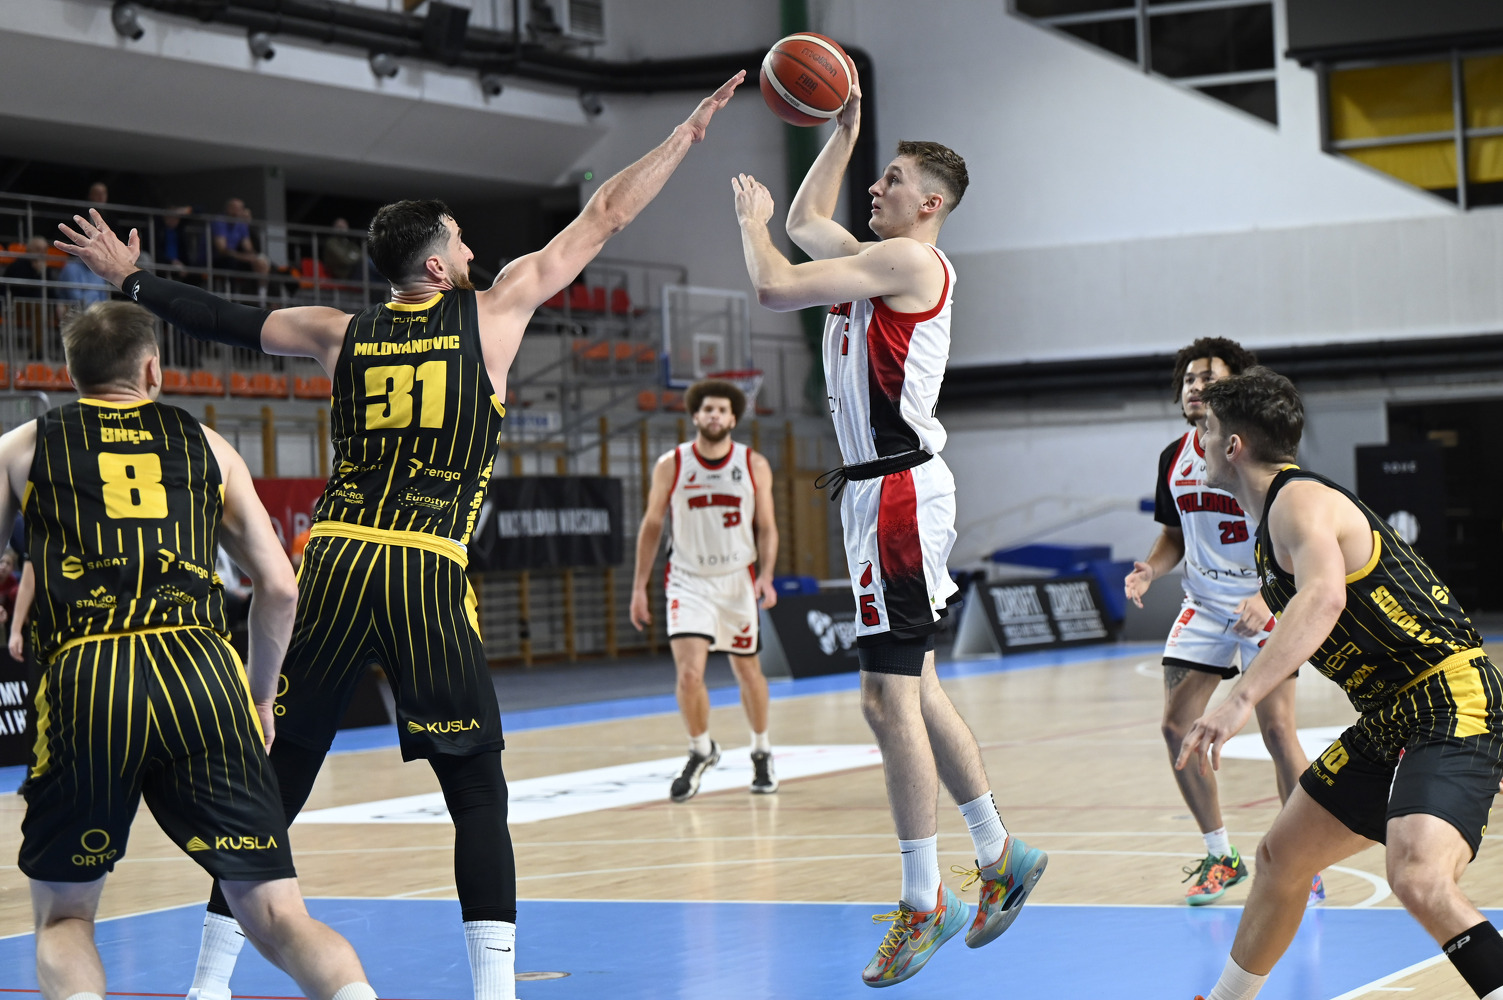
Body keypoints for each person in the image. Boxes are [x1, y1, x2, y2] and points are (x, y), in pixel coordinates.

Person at [57, 71, 743, 1000]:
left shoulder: (337, 331)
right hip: (422, 565)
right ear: (437, 268)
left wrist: (131, 279)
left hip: (337, 558)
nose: (473, 249)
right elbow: (606, 215)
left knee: (278, 781)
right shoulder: (493, 310)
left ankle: (209, 986)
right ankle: (493, 992)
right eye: (459, 240)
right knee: (476, 791)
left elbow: (221, 320)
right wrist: (684, 137)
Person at [731, 64, 1045, 987]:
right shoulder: (875, 263)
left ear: (930, 203)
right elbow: (806, 221)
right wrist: (843, 131)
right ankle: (1000, 855)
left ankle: (923, 899)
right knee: (919, 686)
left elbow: (773, 280)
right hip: (882, 493)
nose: (876, 187)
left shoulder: (907, 263)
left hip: (898, 494)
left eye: (893, 179)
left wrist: (747, 224)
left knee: (883, 699)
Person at [1, 301, 377, 1000]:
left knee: (65, 916)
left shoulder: (22, 447)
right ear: (152, 369)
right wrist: (258, 698)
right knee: (279, 916)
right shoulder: (208, 445)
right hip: (201, 671)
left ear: (72, 373)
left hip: (90, 673)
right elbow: (279, 588)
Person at [1180, 367, 1503, 1000]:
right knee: (1281, 857)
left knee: (1418, 876)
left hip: (1447, 698)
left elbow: (1324, 597)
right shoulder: (1278, 519)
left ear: (1234, 445)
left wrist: (1239, 699)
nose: (1201, 441)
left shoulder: (1297, 500)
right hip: (1390, 715)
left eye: (1208, 429)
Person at [1124, 337, 1320, 906]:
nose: (1195, 386)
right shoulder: (1174, 457)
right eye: (1188, 379)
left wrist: (1269, 594)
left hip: (1265, 600)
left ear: (1236, 385)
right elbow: (1173, 534)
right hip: (1205, 603)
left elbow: (1293, 534)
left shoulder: (1260, 451)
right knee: (1175, 727)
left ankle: (1302, 859)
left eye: (1207, 377)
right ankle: (1221, 855)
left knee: (1278, 733)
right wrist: (1151, 568)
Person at [629, 378, 779, 800]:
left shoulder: (753, 464)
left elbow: (767, 527)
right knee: (690, 673)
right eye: (708, 409)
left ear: (733, 419)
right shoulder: (672, 464)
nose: (714, 415)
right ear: (695, 415)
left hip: (736, 579)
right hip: (688, 579)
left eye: (722, 410)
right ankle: (700, 750)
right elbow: (652, 525)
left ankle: (761, 749)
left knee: (747, 670)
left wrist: (766, 575)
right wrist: (639, 587)